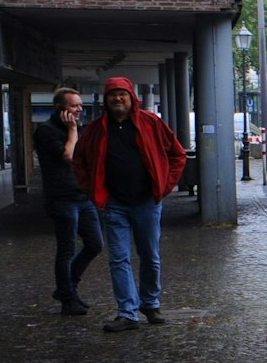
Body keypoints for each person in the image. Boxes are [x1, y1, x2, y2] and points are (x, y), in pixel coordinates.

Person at [72, 76, 187, 333]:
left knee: (150, 255)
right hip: (114, 204)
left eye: (122, 94)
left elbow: (177, 154)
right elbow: (78, 161)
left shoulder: (151, 123)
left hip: (147, 201)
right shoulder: (96, 129)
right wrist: (93, 191)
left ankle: (150, 303)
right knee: (119, 259)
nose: (117, 98)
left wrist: (164, 186)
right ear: (106, 100)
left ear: (131, 97)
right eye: (113, 95)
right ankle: (127, 312)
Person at [34, 86, 102, 316]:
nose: (79, 110)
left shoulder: (77, 129)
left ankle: (66, 288)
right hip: (61, 199)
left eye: (80, 106)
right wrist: (73, 131)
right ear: (59, 108)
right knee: (66, 250)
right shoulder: (46, 131)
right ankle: (68, 298)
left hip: (83, 197)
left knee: (95, 244)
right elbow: (68, 156)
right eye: (74, 106)